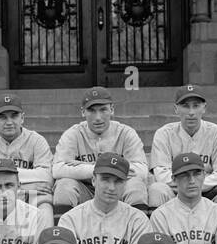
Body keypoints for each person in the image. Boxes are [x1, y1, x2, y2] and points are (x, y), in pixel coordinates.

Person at [58, 152, 151, 244]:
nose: (111, 187)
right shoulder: (70, 219)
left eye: (118, 181)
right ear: (94, 180)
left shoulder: (138, 219)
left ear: (125, 184)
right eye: (106, 179)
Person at [147, 83, 217, 211]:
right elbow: (161, 174)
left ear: (204, 108)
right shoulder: (164, 134)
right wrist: (186, 185)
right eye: (185, 106)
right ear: (176, 109)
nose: (191, 112)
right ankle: (159, 232)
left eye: (196, 106)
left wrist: (197, 184)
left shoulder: (216, 133)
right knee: (157, 189)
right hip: (176, 192)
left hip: (210, 192)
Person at [51, 86, 150, 216]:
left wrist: (88, 168)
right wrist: (97, 169)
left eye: (103, 110)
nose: (98, 117)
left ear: (112, 110)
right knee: (64, 185)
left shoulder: (125, 133)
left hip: (116, 188)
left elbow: (141, 170)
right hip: (86, 189)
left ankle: (136, 233)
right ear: (83, 112)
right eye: (91, 111)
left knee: (136, 185)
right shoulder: (73, 134)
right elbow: (58, 169)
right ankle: (63, 234)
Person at [0, 93, 53, 211]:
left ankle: (44, 230)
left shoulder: (36, 140)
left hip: (27, 195)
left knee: (44, 202)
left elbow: (46, 177)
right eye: (3, 117)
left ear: (22, 118)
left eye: (14, 116)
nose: (9, 122)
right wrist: (25, 186)